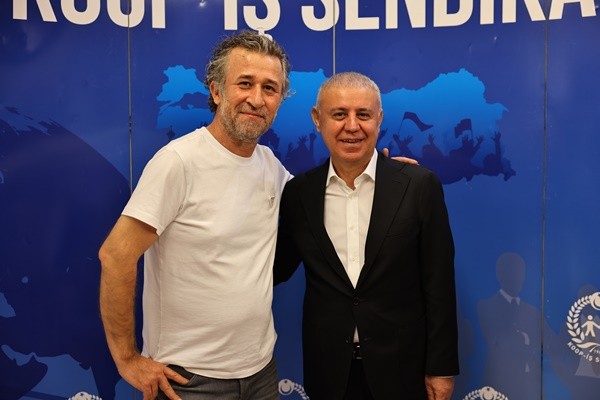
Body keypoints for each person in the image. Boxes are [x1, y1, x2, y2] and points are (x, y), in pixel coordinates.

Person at [98, 30, 292, 400]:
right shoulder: (178, 162)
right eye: (245, 83)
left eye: (270, 88)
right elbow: (116, 255)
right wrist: (127, 359)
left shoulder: (270, 165)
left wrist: (389, 178)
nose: (256, 99)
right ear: (217, 92)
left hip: (261, 373)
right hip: (189, 382)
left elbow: (321, 201)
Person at [274, 72, 459, 400]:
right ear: (317, 119)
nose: (352, 126)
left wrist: (441, 368)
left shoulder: (417, 186)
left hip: (403, 370)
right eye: (339, 114)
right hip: (328, 372)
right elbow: (275, 268)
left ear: (379, 119)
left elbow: (439, 285)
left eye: (363, 114)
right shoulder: (299, 193)